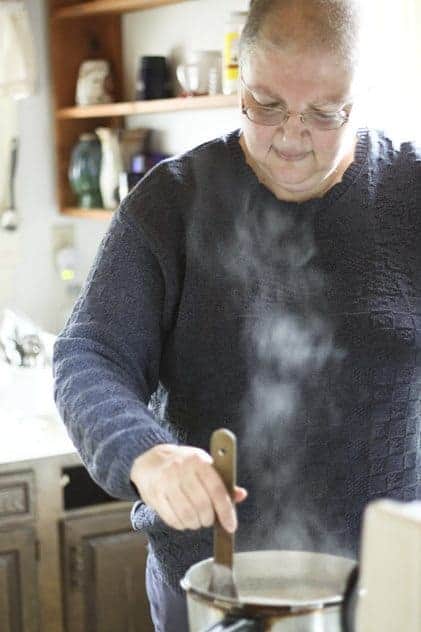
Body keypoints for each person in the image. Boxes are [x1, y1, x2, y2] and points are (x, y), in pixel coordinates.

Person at [53, 1, 421, 630]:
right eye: (266, 104)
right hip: (211, 584)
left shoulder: (411, 195)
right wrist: (147, 454)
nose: (291, 136)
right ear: (238, 77)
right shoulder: (171, 205)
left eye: (324, 113)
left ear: (361, 97)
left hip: (387, 588)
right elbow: (91, 355)